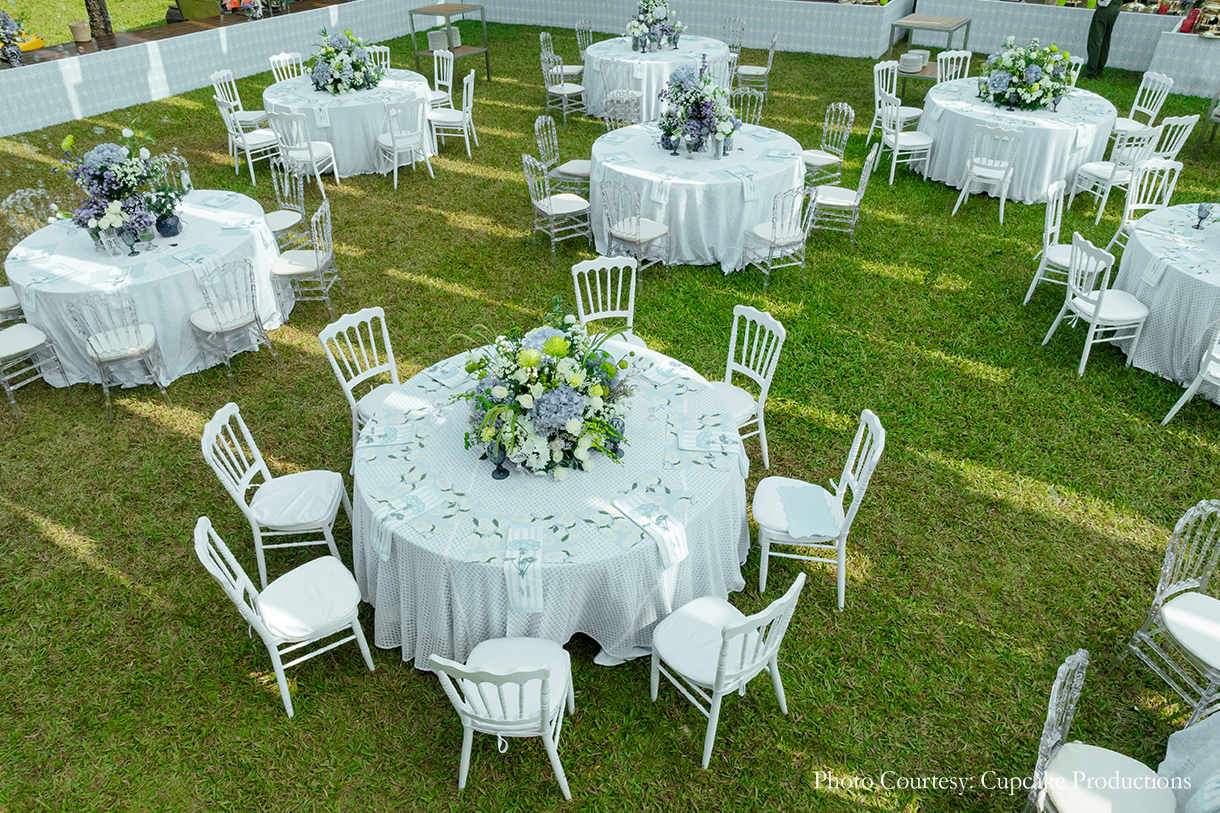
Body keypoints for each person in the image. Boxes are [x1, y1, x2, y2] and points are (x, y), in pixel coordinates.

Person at [1085, 0, 1127, 80]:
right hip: (1116, 5)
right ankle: (1099, 69)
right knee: (1105, 39)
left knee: (1095, 39)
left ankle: (1091, 72)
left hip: (1105, 6)